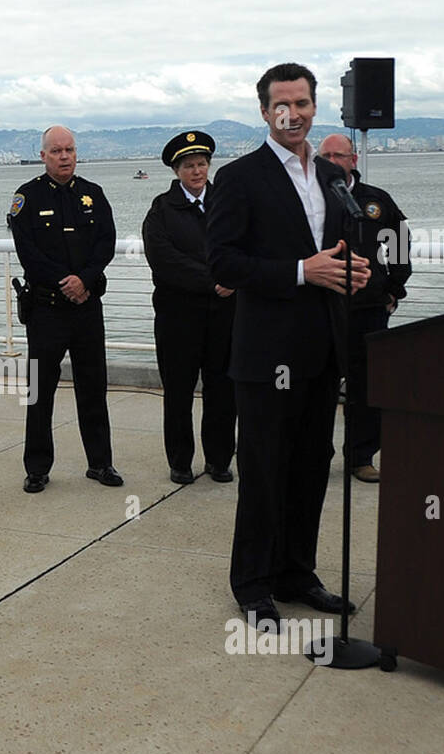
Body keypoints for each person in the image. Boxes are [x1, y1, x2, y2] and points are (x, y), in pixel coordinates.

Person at [207, 63, 371, 629]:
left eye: (302, 102)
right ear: (264, 111)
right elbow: (223, 261)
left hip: (322, 348)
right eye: (283, 104)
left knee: (311, 466)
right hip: (265, 353)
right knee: (264, 469)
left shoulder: (330, 174)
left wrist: (350, 272)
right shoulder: (240, 177)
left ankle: (297, 573)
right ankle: (252, 584)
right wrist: (303, 272)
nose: (293, 112)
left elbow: (333, 252)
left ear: (313, 105)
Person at [7, 125, 119, 493]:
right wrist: (66, 282)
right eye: (56, 151)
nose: (64, 156)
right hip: (47, 310)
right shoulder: (26, 197)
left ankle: (100, 463)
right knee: (41, 391)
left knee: (93, 387)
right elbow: (28, 253)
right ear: (43, 156)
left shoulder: (93, 195)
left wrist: (84, 280)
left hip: (87, 307)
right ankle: (37, 468)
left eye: (69, 149)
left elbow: (105, 244)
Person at [142, 130, 236, 485]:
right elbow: (163, 259)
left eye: (201, 164)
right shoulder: (162, 209)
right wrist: (212, 280)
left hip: (225, 315)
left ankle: (220, 459)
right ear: (176, 170)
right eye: (189, 166)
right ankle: (180, 461)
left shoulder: (226, 203)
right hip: (178, 315)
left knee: (223, 390)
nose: (197, 171)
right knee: (179, 391)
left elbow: (243, 246)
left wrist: (234, 277)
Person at [316, 134, 412, 484]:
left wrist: (395, 287)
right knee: (318, 385)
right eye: (323, 155)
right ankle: (315, 457)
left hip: (368, 307)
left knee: (368, 385)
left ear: (352, 159)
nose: (330, 160)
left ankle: (361, 457)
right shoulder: (309, 198)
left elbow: (399, 240)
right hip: (322, 306)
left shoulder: (375, 200)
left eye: (337, 155)